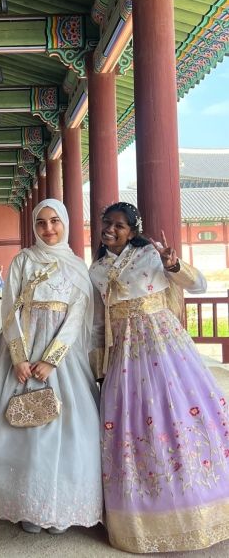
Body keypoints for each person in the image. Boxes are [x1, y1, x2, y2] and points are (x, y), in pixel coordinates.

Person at [89, 201, 229, 554]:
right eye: (106, 223)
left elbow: (198, 283)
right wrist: (97, 365)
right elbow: (97, 323)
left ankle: (199, 507)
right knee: (132, 426)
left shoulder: (152, 256)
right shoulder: (98, 269)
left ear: (133, 231)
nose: (110, 229)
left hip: (163, 348)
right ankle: (142, 514)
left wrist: (174, 264)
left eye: (119, 225)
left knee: (174, 416)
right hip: (123, 355)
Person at [0, 198, 103, 533]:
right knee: (22, 430)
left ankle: (60, 506)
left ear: (66, 223)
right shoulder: (22, 261)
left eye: (55, 221)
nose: (48, 228)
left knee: (69, 431)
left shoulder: (75, 266)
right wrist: (19, 358)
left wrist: (52, 359)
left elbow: (77, 316)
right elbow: (9, 309)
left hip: (62, 357)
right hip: (22, 355)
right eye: (42, 222)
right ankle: (26, 505)